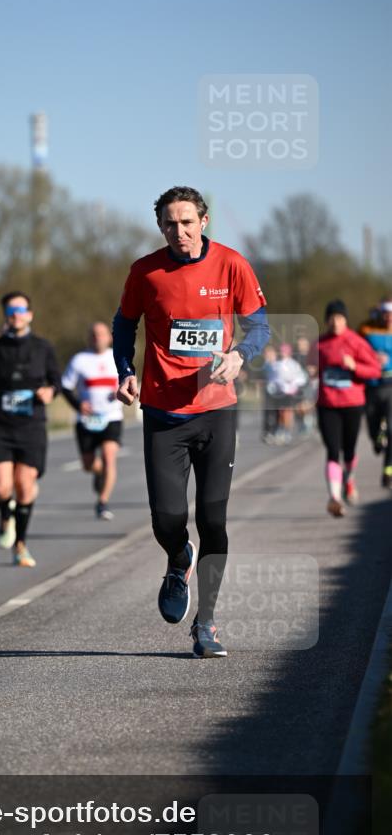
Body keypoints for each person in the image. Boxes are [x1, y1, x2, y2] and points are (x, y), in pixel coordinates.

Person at [113, 186, 270, 659]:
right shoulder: (145, 271)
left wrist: (240, 356)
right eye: (168, 224)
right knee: (167, 520)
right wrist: (125, 371)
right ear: (160, 227)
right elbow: (124, 324)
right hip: (163, 412)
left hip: (216, 410)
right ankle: (178, 557)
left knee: (213, 519)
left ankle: (206, 625)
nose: (178, 231)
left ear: (204, 220)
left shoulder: (231, 263)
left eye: (186, 221)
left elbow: (259, 325)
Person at [0, 292, 61, 567]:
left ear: (30, 314)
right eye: (11, 310)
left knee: (24, 485)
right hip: (1, 425)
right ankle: (4, 514)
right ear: (5, 315)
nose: (16, 314)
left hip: (32, 426)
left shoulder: (43, 347)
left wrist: (50, 391)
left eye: (21, 309)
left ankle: (21, 545)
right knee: (1, 488)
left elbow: (56, 381)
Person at [307, 300, 381, 516]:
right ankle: (335, 498)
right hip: (327, 405)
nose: (335, 322)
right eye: (331, 318)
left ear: (345, 320)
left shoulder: (357, 342)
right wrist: (311, 372)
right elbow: (310, 370)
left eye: (339, 317)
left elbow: (375, 370)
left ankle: (349, 480)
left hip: (352, 404)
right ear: (327, 320)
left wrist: (355, 366)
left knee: (348, 451)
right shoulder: (319, 344)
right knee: (332, 450)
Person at [61, 322, 123, 520]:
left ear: (109, 337)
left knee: (109, 456)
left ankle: (102, 502)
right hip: (87, 419)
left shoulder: (117, 357)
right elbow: (65, 387)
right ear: (89, 338)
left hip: (111, 416)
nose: (98, 338)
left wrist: (121, 392)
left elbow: (129, 381)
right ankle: (99, 473)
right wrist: (78, 404)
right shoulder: (79, 360)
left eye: (102, 334)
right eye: (94, 335)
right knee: (88, 464)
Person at [360, 296, 392, 488]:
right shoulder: (366, 328)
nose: (389, 318)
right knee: (372, 423)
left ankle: (388, 469)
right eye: (386, 314)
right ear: (380, 313)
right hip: (372, 384)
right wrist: (371, 357)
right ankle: (376, 437)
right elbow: (354, 348)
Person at [264, 343, 308, 444]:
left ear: (289, 353)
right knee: (281, 412)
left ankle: (286, 432)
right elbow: (273, 378)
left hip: (290, 393)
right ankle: (281, 429)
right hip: (280, 392)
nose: (283, 354)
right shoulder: (277, 364)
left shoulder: (293, 364)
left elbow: (301, 377)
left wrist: (293, 384)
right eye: (282, 352)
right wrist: (276, 386)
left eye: (285, 352)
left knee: (288, 412)